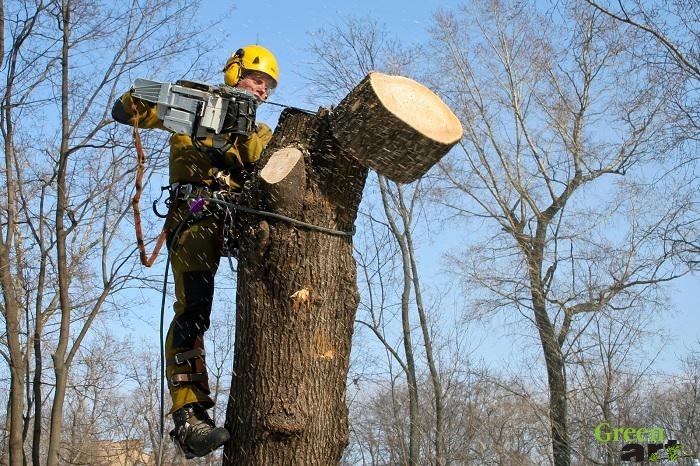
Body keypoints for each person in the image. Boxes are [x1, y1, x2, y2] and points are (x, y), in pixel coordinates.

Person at [111, 44, 279, 458]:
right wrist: (170, 99)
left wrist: (236, 139)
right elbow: (126, 110)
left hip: (243, 218)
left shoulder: (260, 134)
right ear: (234, 72)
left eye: (268, 86)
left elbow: (268, 168)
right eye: (257, 79)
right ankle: (190, 417)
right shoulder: (192, 112)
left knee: (281, 285)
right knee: (193, 310)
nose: (262, 89)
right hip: (198, 214)